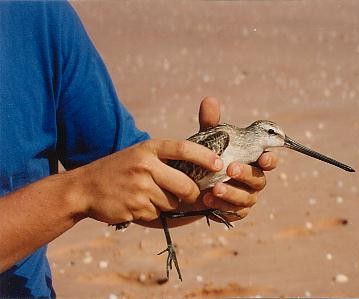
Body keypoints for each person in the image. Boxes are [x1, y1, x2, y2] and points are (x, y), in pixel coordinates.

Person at [0, 1, 277, 297]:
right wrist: (79, 192)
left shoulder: (39, 12)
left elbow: (123, 172)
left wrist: (208, 195)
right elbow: (97, 185)